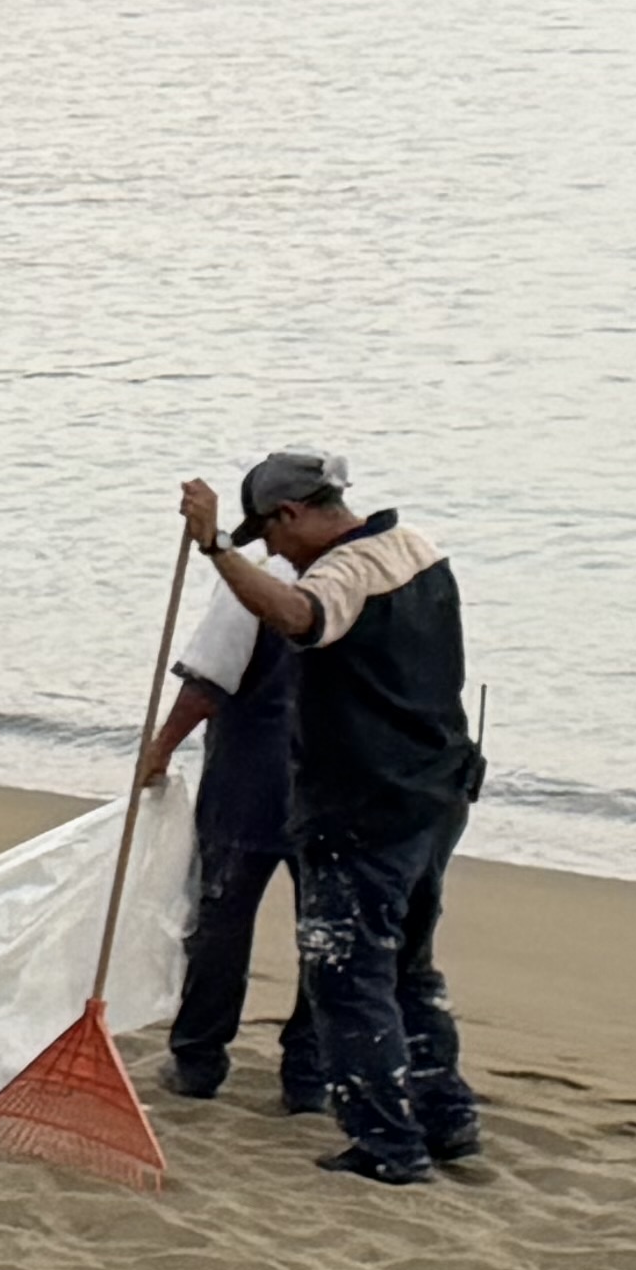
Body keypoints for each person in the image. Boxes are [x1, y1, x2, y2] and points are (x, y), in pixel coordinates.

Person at [179, 450, 485, 1188]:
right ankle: (447, 1119)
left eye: (270, 534)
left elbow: (299, 616)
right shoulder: (417, 548)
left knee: (348, 974)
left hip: (365, 804)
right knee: (411, 964)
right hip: (437, 789)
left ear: (292, 514)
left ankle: (387, 1143)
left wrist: (216, 548)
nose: (273, 551)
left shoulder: (339, 575)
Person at [136, 463, 318, 1111]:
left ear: (285, 517)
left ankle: (199, 1059)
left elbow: (208, 681)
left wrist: (157, 751)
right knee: (320, 931)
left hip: (255, 777)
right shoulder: (357, 577)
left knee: (221, 919)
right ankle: (309, 1075)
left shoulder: (257, 582)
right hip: (331, 781)